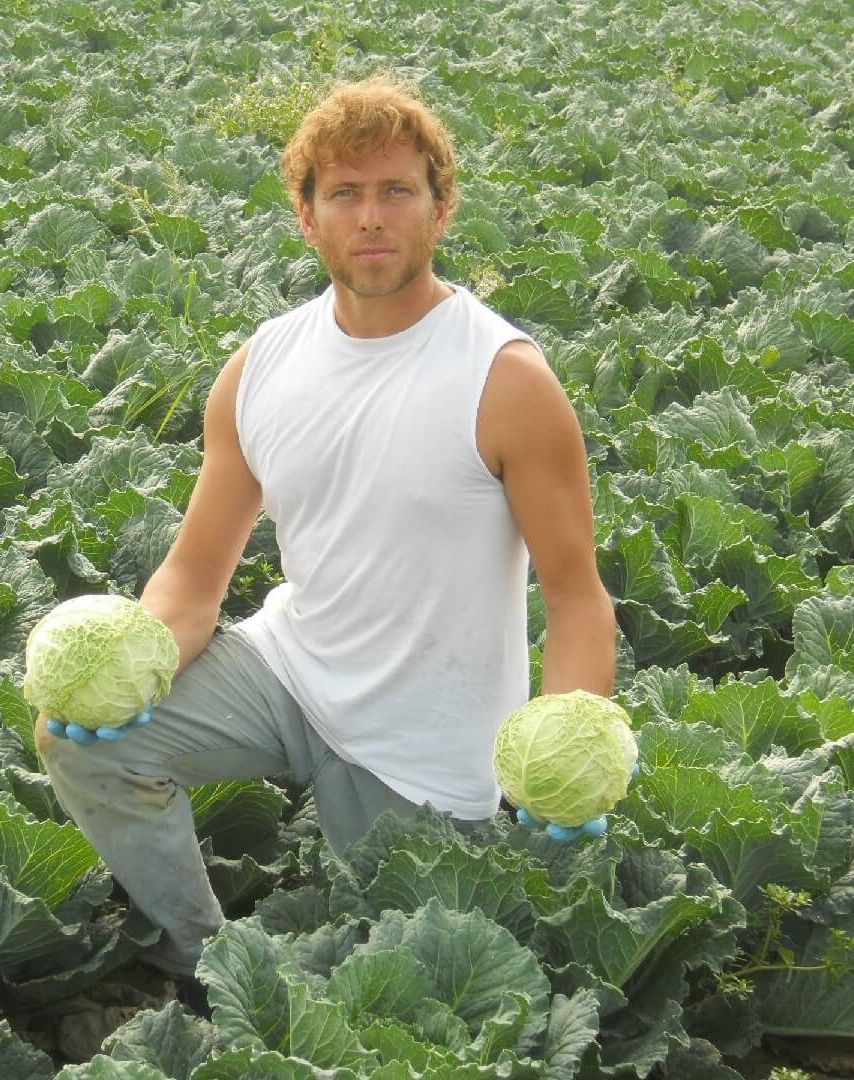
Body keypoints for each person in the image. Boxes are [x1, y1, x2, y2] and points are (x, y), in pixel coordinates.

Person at [34, 74, 616, 989]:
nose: (372, 216)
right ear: (307, 218)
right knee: (82, 743)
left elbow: (577, 595)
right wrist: (132, 667)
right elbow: (193, 577)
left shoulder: (504, 380)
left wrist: (569, 740)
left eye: (397, 191)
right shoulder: (261, 367)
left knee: (410, 983)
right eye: (345, 194)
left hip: (427, 737)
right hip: (290, 671)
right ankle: (205, 962)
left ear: (441, 207)